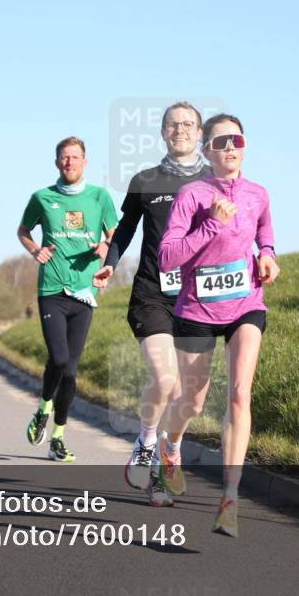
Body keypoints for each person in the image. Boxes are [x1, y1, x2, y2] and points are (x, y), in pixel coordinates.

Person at [157, 113, 280, 537]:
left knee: (240, 394)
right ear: (206, 150)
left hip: (246, 303)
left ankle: (229, 498)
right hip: (196, 310)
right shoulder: (192, 195)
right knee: (192, 402)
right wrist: (212, 224)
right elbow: (168, 257)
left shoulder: (258, 194)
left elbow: (265, 234)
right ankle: (170, 448)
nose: (230, 147)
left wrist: (268, 255)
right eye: (221, 141)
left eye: (237, 140)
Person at [93, 101, 210, 507]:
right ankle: (146, 442)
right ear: (162, 133)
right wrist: (110, 263)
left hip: (198, 299)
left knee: (190, 398)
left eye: (188, 124)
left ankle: (169, 449)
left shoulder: (216, 181)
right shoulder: (146, 179)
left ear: (199, 134)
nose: (181, 129)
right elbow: (125, 230)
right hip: (152, 293)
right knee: (165, 381)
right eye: (173, 124)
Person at [17, 136, 118, 462]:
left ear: (84, 162)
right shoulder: (42, 198)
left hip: (84, 292)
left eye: (75, 157)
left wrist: (105, 249)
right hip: (52, 290)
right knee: (58, 359)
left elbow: (114, 236)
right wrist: (36, 250)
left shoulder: (100, 197)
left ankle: (58, 437)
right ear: (57, 162)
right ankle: (43, 408)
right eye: (64, 158)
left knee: (71, 373)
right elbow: (22, 230)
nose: (69, 162)